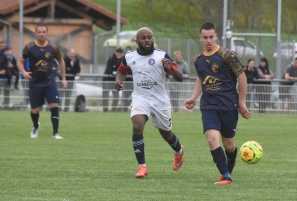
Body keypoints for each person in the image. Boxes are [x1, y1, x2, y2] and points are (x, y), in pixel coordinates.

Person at [184, 22, 251, 185]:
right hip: (208, 105)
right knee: (212, 138)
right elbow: (201, 77)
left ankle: (230, 164)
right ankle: (226, 176)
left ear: (216, 37)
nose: (208, 40)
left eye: (211, 37)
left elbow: (242, 77)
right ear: (200, 38)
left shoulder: (227, 55)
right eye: (205, 37)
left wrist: (241, 102)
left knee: (229, 145)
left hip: (228, 105)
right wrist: (194, 97)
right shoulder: (198, 59)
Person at [115, 27, 185, 178]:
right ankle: (142, 166)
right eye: (143, 38)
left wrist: (170, 69)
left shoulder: (162, 56)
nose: (147, 40)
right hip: (140, 98)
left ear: (153, 39)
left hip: (160, 100)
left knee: (166, 134)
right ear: (137, 41)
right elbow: (121, 70)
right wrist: (118, 81)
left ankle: (179, 151)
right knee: (137, 125)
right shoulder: (129, 56)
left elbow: (180, 77)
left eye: (149, 37)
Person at [17, 24, 67, 139]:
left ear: (47, 33)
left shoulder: (53, 47)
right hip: (35, 83)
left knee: (54, 105)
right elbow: (20, 62)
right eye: (39, 32)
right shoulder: (29, 47)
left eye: (44, 32)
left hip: (50, 82)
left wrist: (64, 78)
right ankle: (35, 125)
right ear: (35, 33)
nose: (42, 34)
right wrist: (24, 72)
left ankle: (55, 133)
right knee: (35, 110)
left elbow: (61, 61)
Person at [102, 48, 123, 112]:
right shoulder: (111, 60)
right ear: (116, 53)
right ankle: (105, 109)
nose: (119, 54)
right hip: (107, 80)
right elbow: (109, 69)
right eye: (118, 53)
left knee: (116, 96)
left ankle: (113, 109)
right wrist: (115, 73)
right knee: (105, 95)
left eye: (120, 53)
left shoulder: (123, 61)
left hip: (116, 81)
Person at [0, 41, 10, 108]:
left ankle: (6, 106)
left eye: (4, 46)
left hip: (6, 77)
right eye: (1, 46)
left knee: (6, 93)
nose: (3, 47)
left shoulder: (7, 55)